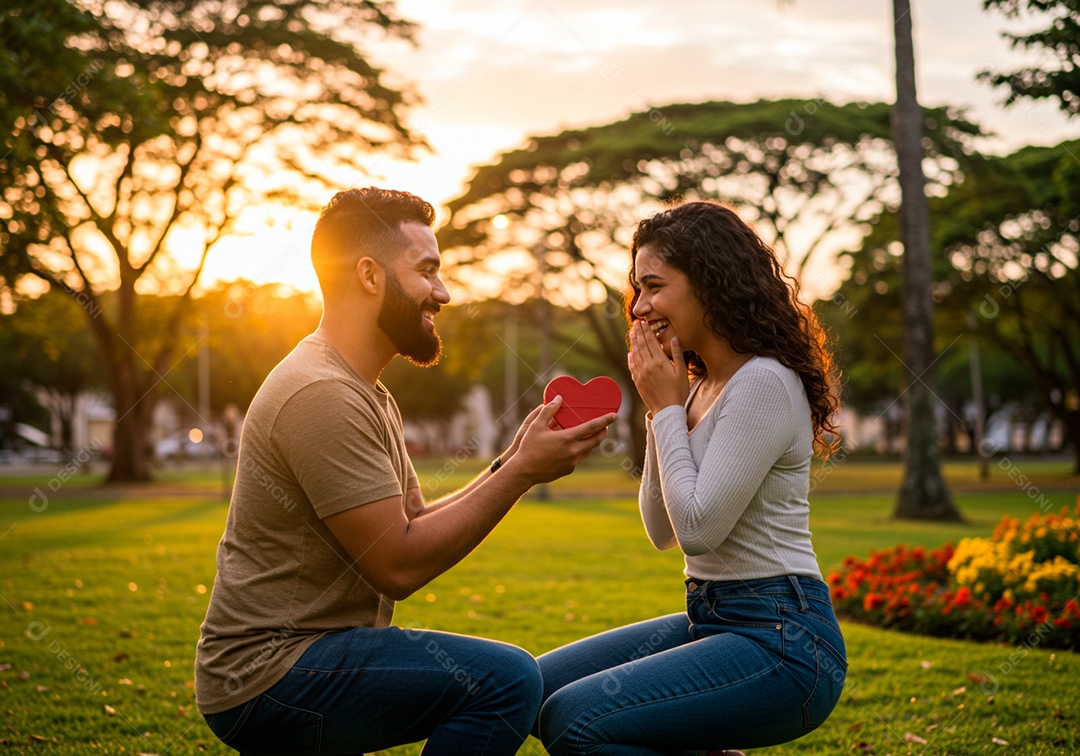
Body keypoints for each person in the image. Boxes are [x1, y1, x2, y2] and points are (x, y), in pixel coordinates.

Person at [195, 187, 616, 755]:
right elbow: (395, 565)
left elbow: (412, 518)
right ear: (369, 275)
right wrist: (519, 474)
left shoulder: (364, 390)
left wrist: (511, 461)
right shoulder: (322, 394)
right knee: (507, 680)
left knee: (507, 678)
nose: (442, 293)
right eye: (426, 271)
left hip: (310, 657)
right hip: (271, 674)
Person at [534, 200, 847, 756]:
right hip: (711, 619)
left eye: (654, 286)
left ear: (709, 281)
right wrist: (663, 409)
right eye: (637, 289)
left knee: (573, 721)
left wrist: (665, 409)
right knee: (532, 690)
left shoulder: (764, 382)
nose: (639, 307)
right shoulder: (697, 387)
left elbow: (700, 529)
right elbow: (663, 530)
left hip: (784, 641)